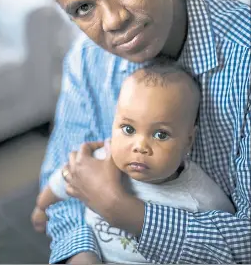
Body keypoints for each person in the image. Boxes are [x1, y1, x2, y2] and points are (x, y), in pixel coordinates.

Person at [37, 0, 250, 265]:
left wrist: (118, 207)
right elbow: (65, 187)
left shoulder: (244, 58)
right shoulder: (86, 61)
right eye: (83, 8)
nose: (113, 20)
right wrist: (81, 257)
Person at [32, 62, 235, 263]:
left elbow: (224, 243)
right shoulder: (101, 160)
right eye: (128, 129)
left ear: (188, 141)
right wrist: (42, 206)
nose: (140, 146)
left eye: (160, 134)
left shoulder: (200, 197)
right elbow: (64, 177)